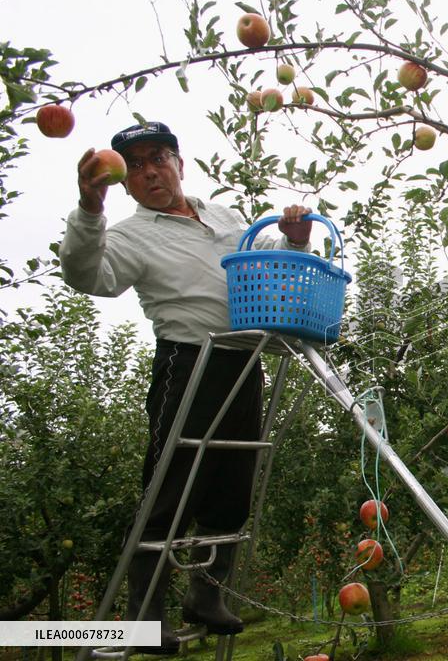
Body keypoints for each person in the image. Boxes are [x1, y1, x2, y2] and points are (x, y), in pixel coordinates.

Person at [60, 122, 313, 654]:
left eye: (158, 158)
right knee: (170, 489)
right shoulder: (128, 234)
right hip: (189, 361)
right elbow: (87, 275)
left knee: (232, 488)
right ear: (124, 182)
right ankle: (144, 613)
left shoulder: (222, 214)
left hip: (244, 360)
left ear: (179, 162)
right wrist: (88, 208)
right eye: (135, 166)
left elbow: (264, 254)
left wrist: (294, 238)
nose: (149, 172)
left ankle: (206, 592)